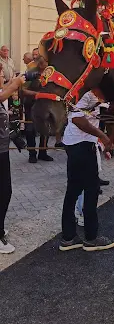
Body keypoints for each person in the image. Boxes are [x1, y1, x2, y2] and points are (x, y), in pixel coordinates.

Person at [60, 90, 114, 252]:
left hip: (76, 144)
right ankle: (92, 238)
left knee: (73, 190)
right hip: (81, 145)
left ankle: (68, 238)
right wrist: (103, 136)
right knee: (91, 191)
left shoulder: (98, 96)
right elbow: (77, 118)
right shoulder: (87, 95)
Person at [0, 67, 26, 253]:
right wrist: (16, 83)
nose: (4, 78)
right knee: (4, 192)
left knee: (4, 191)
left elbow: (4, 91)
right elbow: (5, 93)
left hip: (2, 150)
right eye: (1, 75)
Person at [21, 56, 53, 163]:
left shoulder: (51, 72)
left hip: (45, 104)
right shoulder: (31, 72)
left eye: (44, 63)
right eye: (40, 63)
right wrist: (37, 94)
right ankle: (32, 154)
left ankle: (43, 153)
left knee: (45, 128)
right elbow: (23, 90)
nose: (42, 65)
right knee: (30, 129)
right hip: (31, 104)